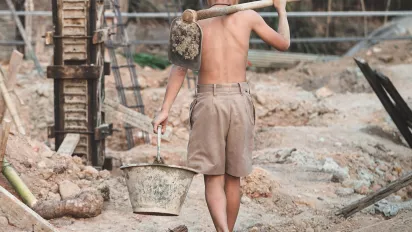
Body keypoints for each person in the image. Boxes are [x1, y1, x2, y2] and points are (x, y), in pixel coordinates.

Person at [152, 0, 290, 231]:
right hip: (239, 101)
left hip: (209, 101)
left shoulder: (195, 22)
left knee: (214, 177)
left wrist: (165, 108)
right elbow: (284, 43)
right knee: (233, 178)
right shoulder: (248, 17)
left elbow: (180, 69)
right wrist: (281, 9)